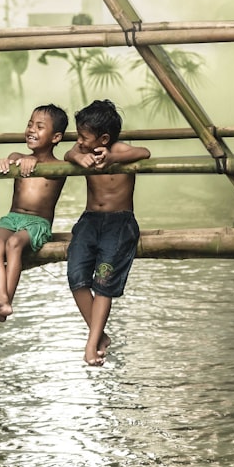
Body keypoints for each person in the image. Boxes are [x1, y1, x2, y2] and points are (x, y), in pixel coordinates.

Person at [64, 99, 150, 366]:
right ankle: (99, 335)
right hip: (90, 220)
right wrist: (79, 156)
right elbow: (68, 155)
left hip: (119, 222)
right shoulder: (81, 151)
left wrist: (114, 158)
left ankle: (91, 345)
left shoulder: (120, 149)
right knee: (76, 275)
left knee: (103, 280)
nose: (78, 141)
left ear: (104, 138)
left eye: (83, 137)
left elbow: (145, 152)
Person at [0, 104, 69, 322]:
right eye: (30, 124)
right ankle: (3, 300)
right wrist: (4, 163)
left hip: (38, 223)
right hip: (12, 218)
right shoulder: (18, 156)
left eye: (40, 127)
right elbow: (8, 162)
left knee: (13, 244)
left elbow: (61, 161)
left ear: (56, 137)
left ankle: (4, 302)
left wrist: (35, 161)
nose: (31, 129)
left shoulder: (60, 166)